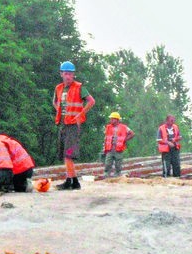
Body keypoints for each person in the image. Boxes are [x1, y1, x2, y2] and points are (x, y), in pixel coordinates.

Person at [53, 60, 95, 190]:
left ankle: (69, 181)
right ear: (61, 74)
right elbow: (55, 102)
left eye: (70, 74)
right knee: (65, 154)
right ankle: (74, 181)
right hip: (63, 124)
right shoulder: (59, 88)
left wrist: (80, 114)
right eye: (66, 74)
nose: (68, 76)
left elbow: (91, 101)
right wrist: (60, 112)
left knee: (68, 154)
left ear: (73, 75)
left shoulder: (79, 87)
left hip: (73, 125)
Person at [102, 112, 135, 177]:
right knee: (108, 163)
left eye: (112, 119)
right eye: (110, 119)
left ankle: (117, 175)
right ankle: (106, 175)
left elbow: (132, 134)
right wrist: (104, 148)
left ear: (117, 120)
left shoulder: (124, 127)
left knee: (118, 164)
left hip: (119, 149)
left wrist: (125, 139)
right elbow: (105, 138)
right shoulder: (108, 127)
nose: (110, 120)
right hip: (110, 149)